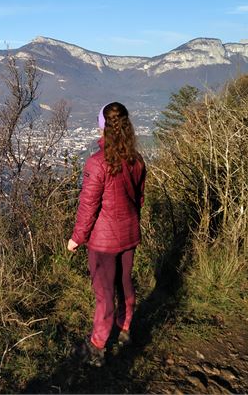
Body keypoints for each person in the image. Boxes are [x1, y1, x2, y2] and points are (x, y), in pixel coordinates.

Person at [67, 102, 146, 366]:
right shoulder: (136, 159)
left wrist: (77, 237)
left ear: (102, 127)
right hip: (129, 234)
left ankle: (97, 346)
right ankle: (125, 330)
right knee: (125, 283)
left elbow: (88, 205)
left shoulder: (97, 163)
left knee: (103, 293)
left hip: (103, 241)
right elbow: (139, 198)